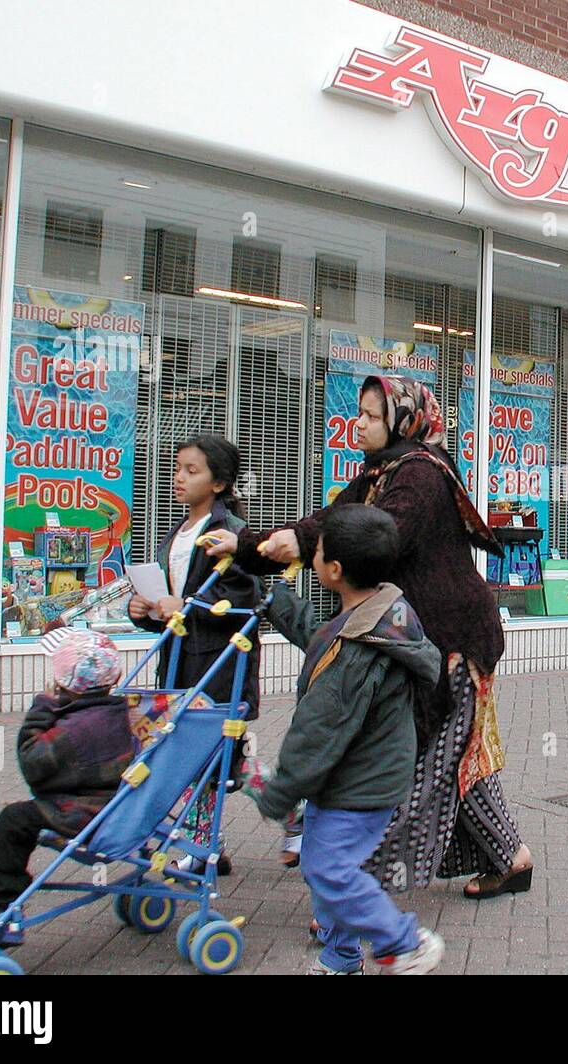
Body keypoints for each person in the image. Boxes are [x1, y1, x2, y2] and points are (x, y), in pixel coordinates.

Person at [208, 376, 535, 899]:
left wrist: (302, 541)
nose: (357, 423)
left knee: (421, 761)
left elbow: (374, 534)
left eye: (370, 415)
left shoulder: (421, 476)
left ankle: (361, 893)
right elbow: (328, 521)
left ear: (403, 421)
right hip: (418, 637)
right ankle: (511, 858)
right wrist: (250, 545)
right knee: (452, 753)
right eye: (358, 413)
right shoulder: (381, 471)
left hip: (450, 641)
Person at [256, 506, 445, 975]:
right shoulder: (379, 612)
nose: (311, 556)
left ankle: (405, 942)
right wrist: (275, 597)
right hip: (354, 775)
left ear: (334, 570)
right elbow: (321, 636)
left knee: (327, 869)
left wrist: (279, 793)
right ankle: (341, 958)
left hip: (361, 781)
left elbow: (318, 732)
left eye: (316, 551)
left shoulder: (358, 649)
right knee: (329, 869)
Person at [0, 630, 134, 940]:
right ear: (116, 675)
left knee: (14, 820)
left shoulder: (75, 728)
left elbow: (33, 763)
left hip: (82, 812)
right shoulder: (118, 714)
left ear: (63, 683)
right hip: (110, 807)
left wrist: (43, 706)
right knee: (23, 815)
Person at [127, 434, 262, 872]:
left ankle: (202, 846)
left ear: (219, 483)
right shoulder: (178, 533)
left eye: (192, 470)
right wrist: (146, 610)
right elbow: (173, 602)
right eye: (177, 469)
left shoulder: (233, 535)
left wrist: (183, 606)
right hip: (180, 662)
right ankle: (286, 810)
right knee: (221, 762)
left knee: (201, 756)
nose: (179, 478)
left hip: (220, 664)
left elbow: (244, 600)